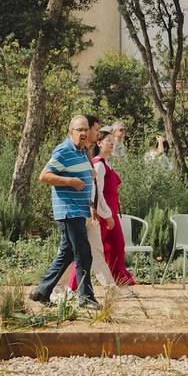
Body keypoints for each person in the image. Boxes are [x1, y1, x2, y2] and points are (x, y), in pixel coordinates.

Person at [32, 114, 99, 308]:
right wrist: (69, 181)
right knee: (83, 253)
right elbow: (44, 176)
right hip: (69, 211)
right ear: (70, 132)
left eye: (86, 129)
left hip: (80, 210)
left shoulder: (81, 151)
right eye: (80, 130)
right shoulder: (63, 150)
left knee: (68, 252)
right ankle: (86, 298)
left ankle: (42, 291)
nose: (84, 133)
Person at [67, 125, 136, 298]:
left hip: (110, 213)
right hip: (102, 214)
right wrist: (104, 213)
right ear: (99, 143)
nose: (112, 144)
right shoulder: (98, 165)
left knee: (116, 247)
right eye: (108, 141)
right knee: (89, 250)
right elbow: (96, 190)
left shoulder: (106, 164)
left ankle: (119, 283)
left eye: (113, 141)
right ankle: (72, 287)